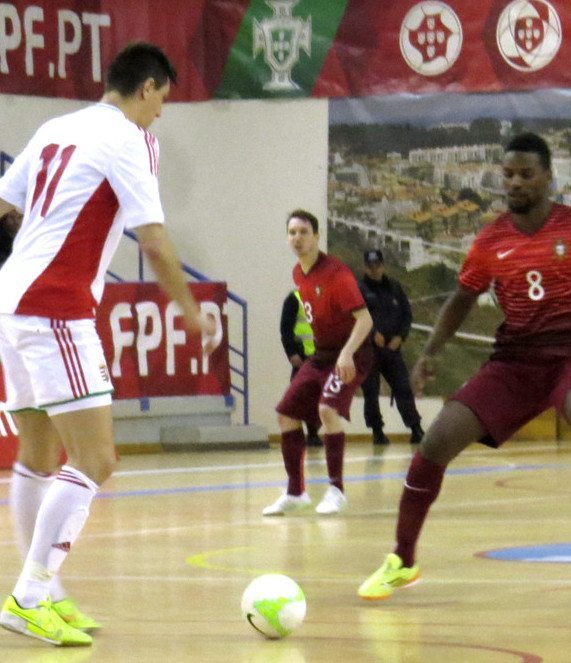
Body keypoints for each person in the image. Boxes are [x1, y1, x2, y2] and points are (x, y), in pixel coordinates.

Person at [358, 132, 571, 600]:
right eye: (508, 174)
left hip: (569, 355)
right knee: (435, 441)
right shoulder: (491, 239)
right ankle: (402, 559)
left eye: (525, 174)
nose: (514, 182)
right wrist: (432, 352)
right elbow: (461, 298)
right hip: (513, 362)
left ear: (547, 178)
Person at [0, 42, 217, 646]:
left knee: (37, 454)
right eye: (162, 101)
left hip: (11, 301)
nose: (160, 116)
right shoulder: (125, 137)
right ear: (146, 88)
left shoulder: (55, 127)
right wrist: (189, 311)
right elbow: (151, 238)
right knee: (96, 460)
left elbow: (3, 204)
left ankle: (45, 591)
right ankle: (30, 595)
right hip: (55, 309)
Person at [263, 209, 373, 516]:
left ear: (316, 236)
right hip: (322, 355)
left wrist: (347, 353)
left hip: (352, 353)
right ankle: (296, 492)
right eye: (292, 233)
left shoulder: (337, 274)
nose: (297, 238)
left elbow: (364, 320)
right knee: (286, 415)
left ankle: (336, 490)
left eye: (303, 232)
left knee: (326, 409)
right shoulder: (298, 274)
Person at [359, 249, 424, 445]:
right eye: (370, 266)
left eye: (377, 265)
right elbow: (354, 316)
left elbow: (407, 315)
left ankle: (416, 428)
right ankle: (377, 431)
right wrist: (371, 334)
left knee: (403, 388)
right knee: (371, 392)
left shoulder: (395, 287)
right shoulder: (359, 289)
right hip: (369, 350)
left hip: (393, 349)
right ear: (365, 267)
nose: (374, 269)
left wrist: (400, 337)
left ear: (382, 265)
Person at [280, 289, 323, 447]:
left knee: (318, 396)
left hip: (320, 356)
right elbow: (286, 330)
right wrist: (291, 353)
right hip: (302, 357)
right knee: (298, 397)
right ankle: (295, 434)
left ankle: (313, 433)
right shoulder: (294, 298)